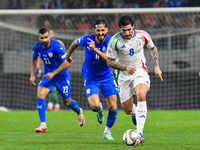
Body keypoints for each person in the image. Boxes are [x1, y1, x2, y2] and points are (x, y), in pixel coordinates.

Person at [107, 14, 163, 143]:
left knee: (141, 96)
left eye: (129, 29)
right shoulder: (115, 41)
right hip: (123, 75)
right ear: (120, 29)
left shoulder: (143, 35)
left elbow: (153, 48)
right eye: (123, 30)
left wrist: (157, 66)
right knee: (127, 109)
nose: (126, 33)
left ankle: (139, 133)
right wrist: (125, 68)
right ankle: (136, 112)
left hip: (140, 71)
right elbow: (109, 61)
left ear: (133, 26)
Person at [66, 19, 119, 140]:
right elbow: (74, 43)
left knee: (113, 107)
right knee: (94, 106)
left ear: (106, 30)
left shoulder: (111, 41)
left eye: (102, 30)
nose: (100, 33)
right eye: (98, 30)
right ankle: (99, 109)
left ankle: (107, 132)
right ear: (94, 30)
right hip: (91, 77)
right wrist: (68, 56)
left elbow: (109, 60)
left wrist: (95, 49)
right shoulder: (87, 39)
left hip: (106, 77)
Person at [30, 28, 85, 132]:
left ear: (49, 36)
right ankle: (43, 124)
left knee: (66, 101)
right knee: (40, 94)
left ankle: (79, 111)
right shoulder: (37, 46)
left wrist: (53, 73)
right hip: (48, 76)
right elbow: (33, 59)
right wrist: (32, 75)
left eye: (46, 37)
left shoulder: (57, 46)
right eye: (42, 38)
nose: (44, 40)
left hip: (61, 77)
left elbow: (67, 62)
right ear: (39, 38)